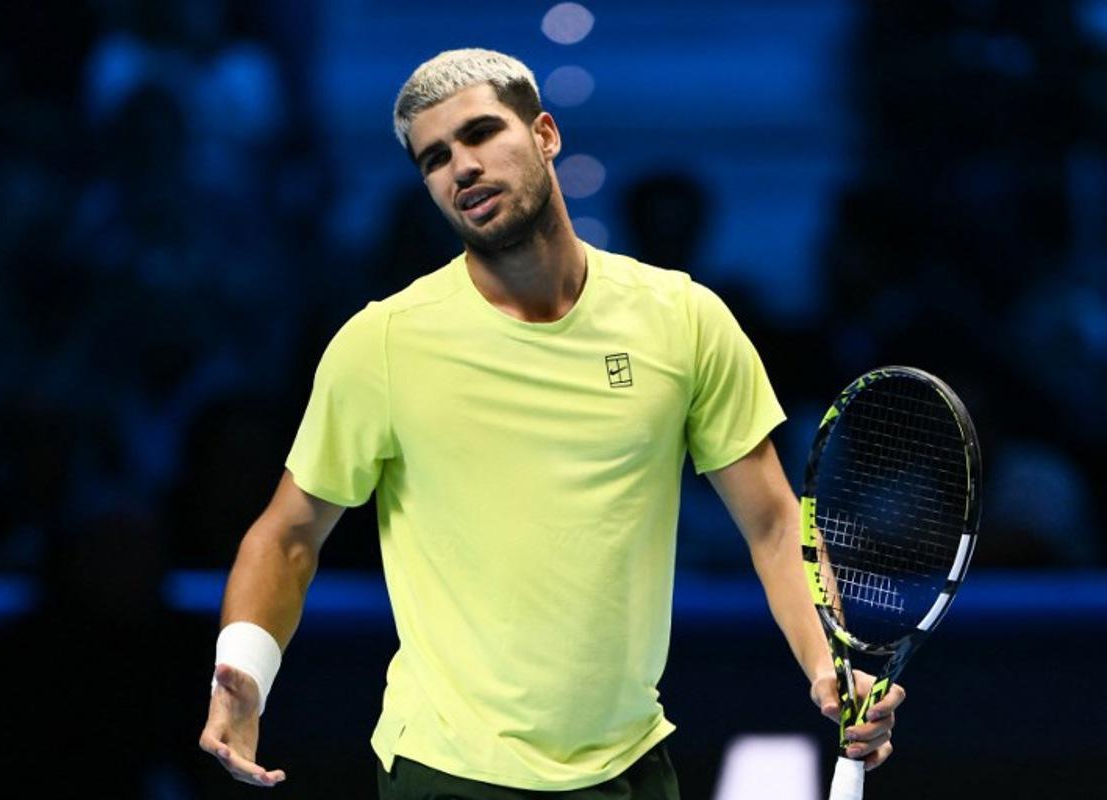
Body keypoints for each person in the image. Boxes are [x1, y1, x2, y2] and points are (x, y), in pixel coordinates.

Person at [197, 48, 905, 798]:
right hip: (447, 770)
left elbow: (771, 522)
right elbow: (288, 534)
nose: (460, 168)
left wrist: (834, 665)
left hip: (632, 764)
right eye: (434, 157)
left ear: (544, 134)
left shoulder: (684, 321)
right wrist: (244, 670)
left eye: (479, 135)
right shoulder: (382, 344)